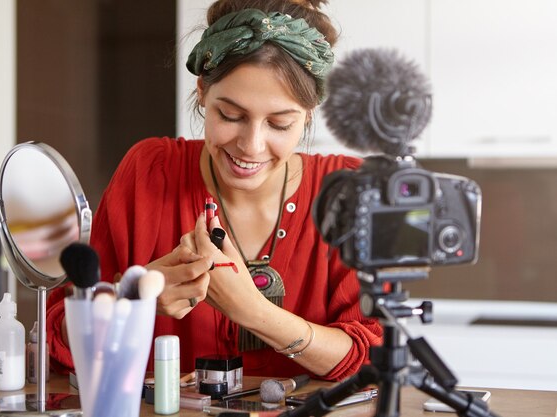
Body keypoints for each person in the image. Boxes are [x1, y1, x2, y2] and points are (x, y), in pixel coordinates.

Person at [46, 0, 382, 381]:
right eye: (231, 116)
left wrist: (253, 312)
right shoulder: (148, 172)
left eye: (279, 123)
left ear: (309, 112)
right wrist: (134, 298)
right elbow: (58, 339)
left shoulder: (349, 193)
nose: (251, 146)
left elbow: (376, 359)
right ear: (203, 89)